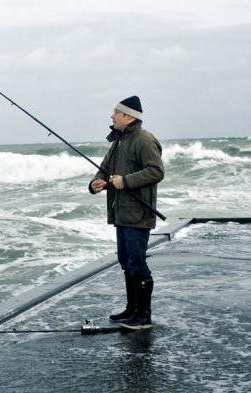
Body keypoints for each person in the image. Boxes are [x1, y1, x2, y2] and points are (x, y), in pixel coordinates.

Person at [88, 96, 164, 330]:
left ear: (129, 116)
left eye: (116, 113)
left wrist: (125, 181)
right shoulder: (119, 141)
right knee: (125, 261)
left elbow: (156, 171)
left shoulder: (144, 140)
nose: (112, 116)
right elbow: (103, 170)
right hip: (120, 213)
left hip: (138, 213)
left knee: (137, 262)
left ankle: (144, 315)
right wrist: (96, 183)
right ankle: (132, 309)